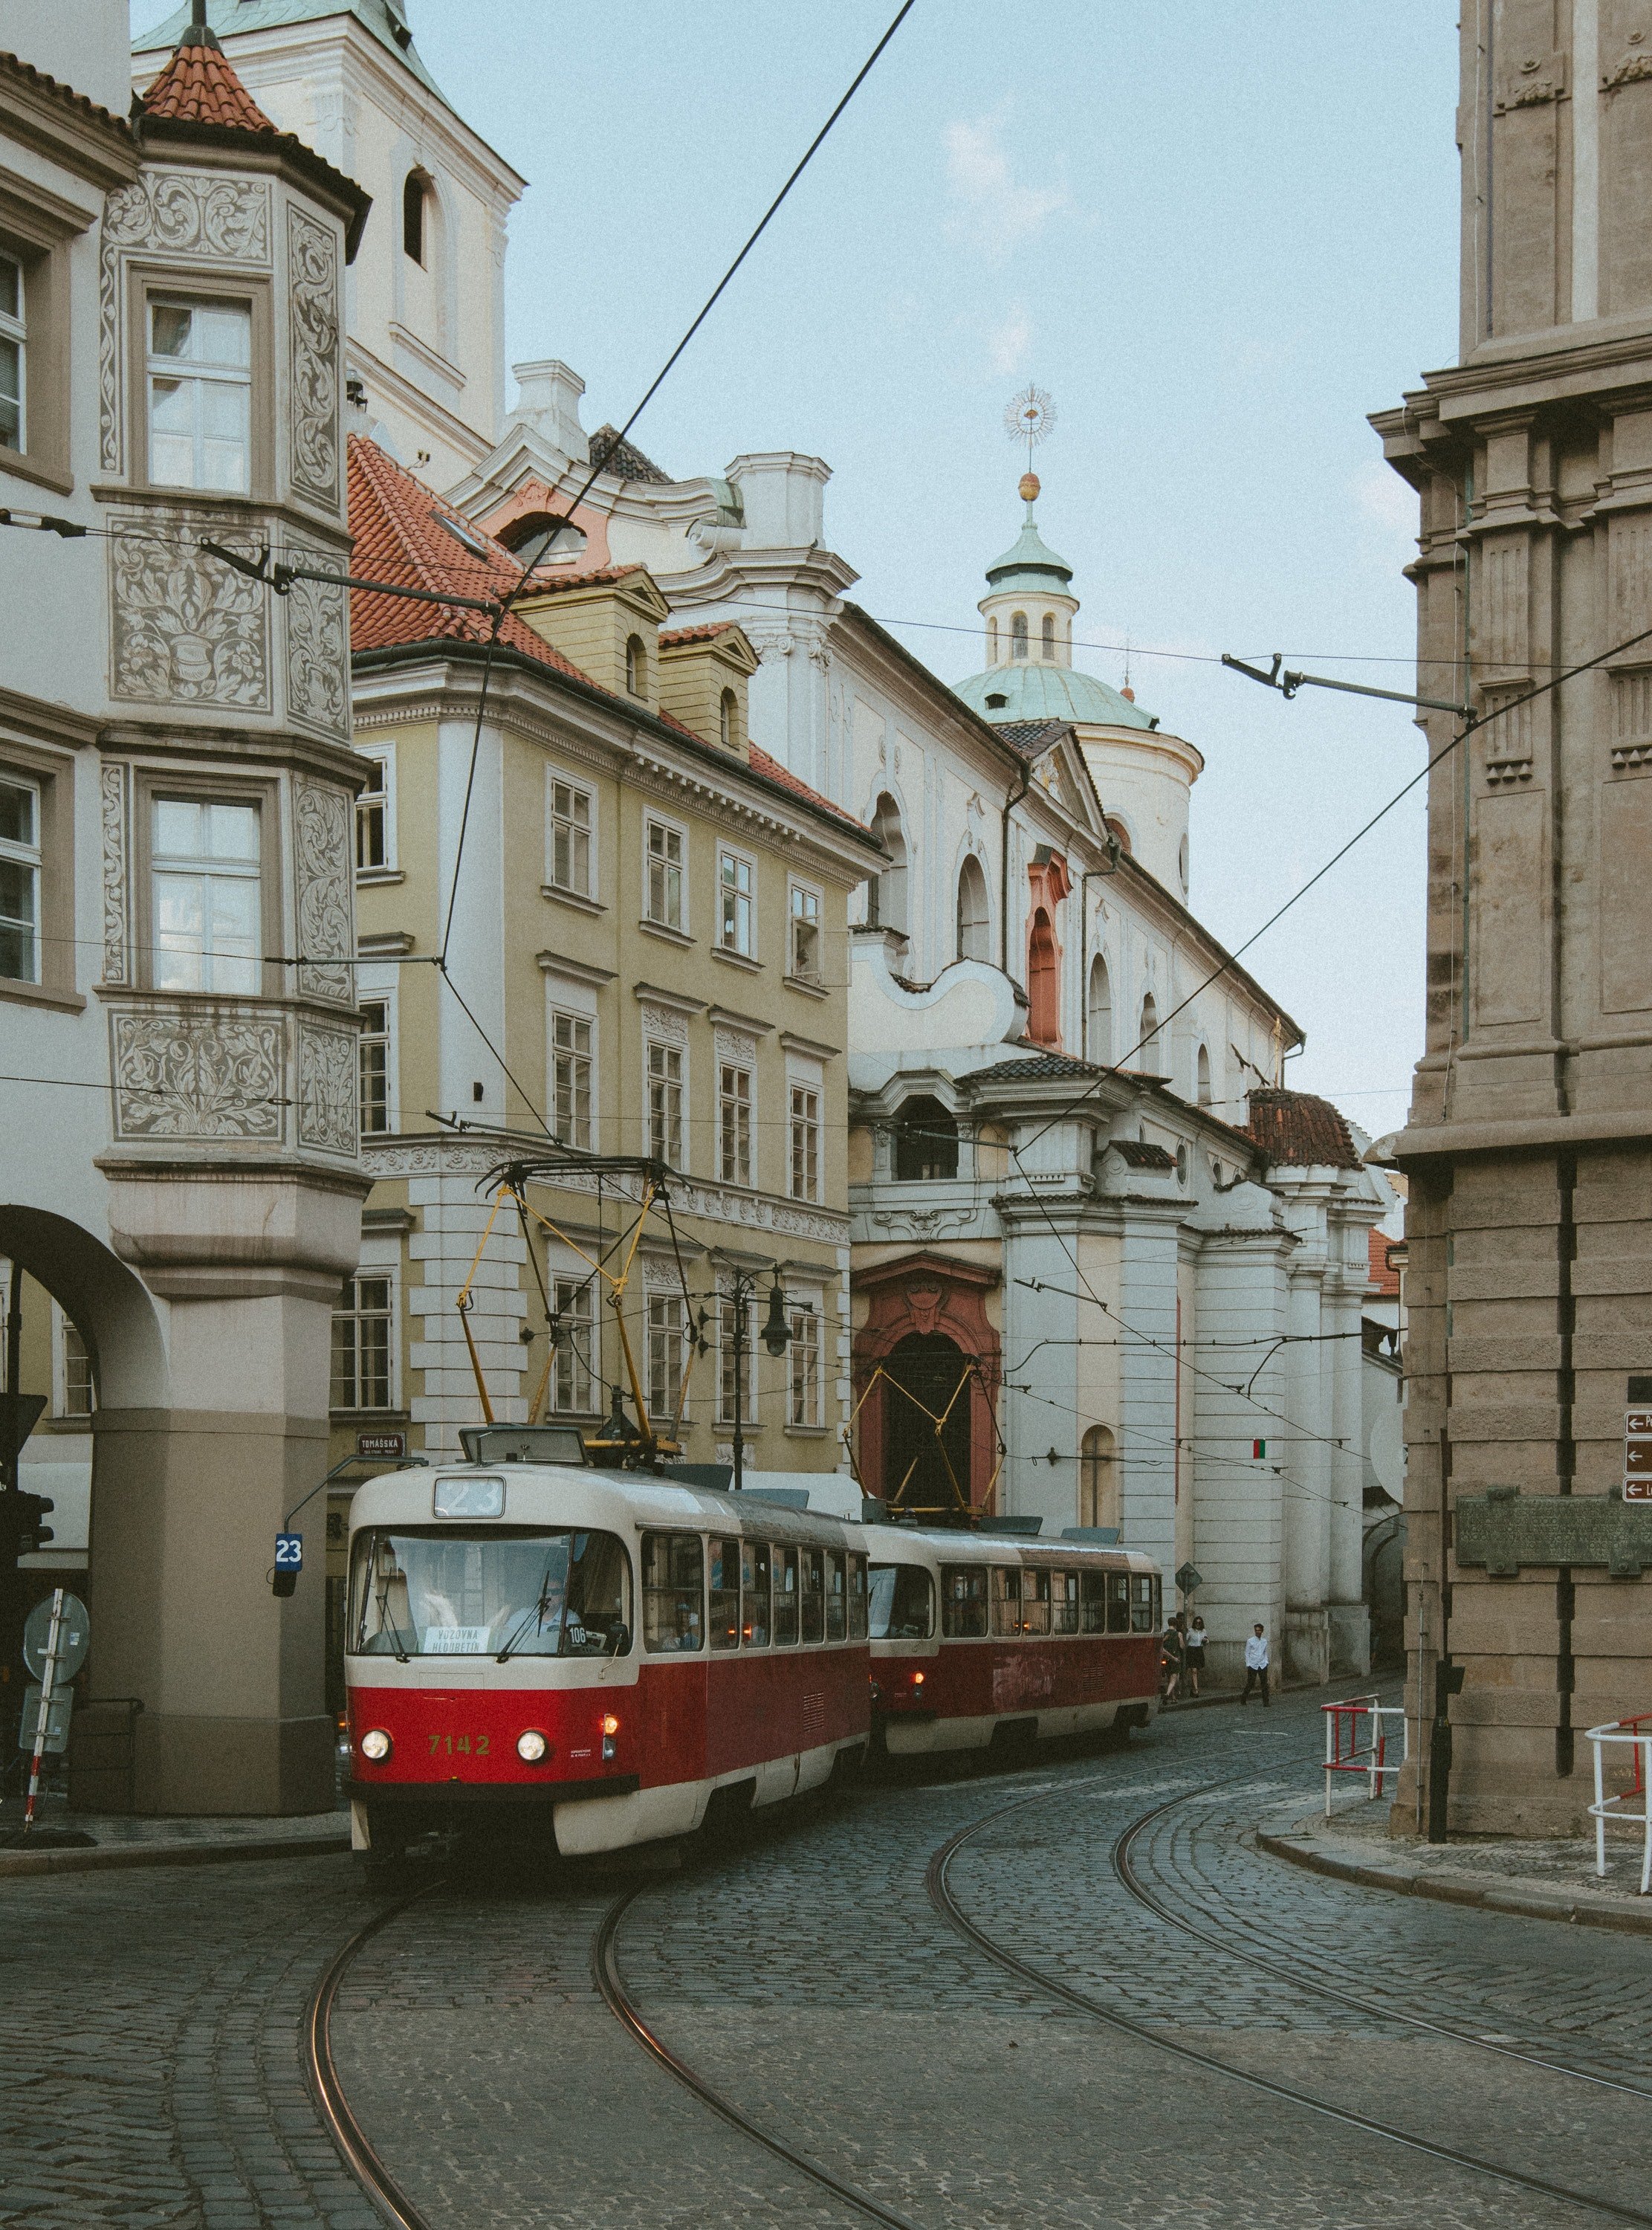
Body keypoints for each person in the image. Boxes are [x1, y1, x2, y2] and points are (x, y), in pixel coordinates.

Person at [1241, 1622, 1271, 1707]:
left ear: (1262, 1631)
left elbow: (1265, 1652)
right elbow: (1247, 1652)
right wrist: (1248, 1664)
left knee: (1264, 1684)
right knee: (1251, 1683)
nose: (1258, 1632)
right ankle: (1243, 1698)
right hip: (1253, 1665)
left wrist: (1266, 1662)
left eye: (1259, 1630)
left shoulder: (1264, 1641)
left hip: (1262, 1664)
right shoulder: (1250, 1641)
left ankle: (1266, 1702)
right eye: (1256, 1630)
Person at [1160, 1619, 1184, 1704]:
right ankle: (1167, 1694)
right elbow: (1182, 1647)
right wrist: (1180, 1638)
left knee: (1169, 1679)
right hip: (1175, 1659)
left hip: (1166, 1659)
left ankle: (1173, 1698)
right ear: (1176, 1625)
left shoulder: (1164, 1634)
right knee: (1173, 1680)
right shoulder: (1178, 1634)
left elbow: (1161, 1647)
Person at [1185, 1613, 1208, 1697]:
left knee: (1196, 1671)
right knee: (1193, 1671)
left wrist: (1206, 1640)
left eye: (1200, 1623)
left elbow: (1207, 1641)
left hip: (1199, 1650)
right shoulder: (1190, 1630)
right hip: (1192, 1650)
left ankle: (1193, 1688)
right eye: (1196, 1623)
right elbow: (1186, 1639)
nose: (1198, 1624)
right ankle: (1196, 1690)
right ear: (1194, 1623)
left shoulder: (1203, 1631)